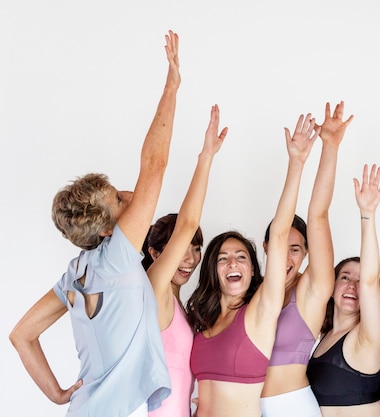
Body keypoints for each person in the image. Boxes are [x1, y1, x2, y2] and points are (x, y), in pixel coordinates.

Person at [9, 31, 181, 417]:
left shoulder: (77, 272)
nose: (127, 194)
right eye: (118, 200)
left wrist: (56, 394)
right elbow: (154, 167)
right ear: (106, 230)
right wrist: (171, 87)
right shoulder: (119, 254)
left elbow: (22, 335)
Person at [186, 113, 319, 417]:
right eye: (223, 258)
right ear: (213, 270)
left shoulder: (260, 311)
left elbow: (281, 232)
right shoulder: (203, 323)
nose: (232, 262)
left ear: (253, 269)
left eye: (241, 257)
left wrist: (296, 164)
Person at [260, 102, 353, 417]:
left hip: (290, 407)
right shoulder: (251, 293)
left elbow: (319, 215)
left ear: (306, 255)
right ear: (265, 247)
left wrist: (328, 147)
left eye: (296, 249)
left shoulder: (311, 290)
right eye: (281, 244)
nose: (286, 256)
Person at [142, 104, 227, 417]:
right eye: (180, 249)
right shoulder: (154, 290)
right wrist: (206, 157)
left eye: (196, 248)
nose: (190, 259)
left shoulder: (180, 305)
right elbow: (188, 222)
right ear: (154, 254)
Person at [306, 164, 380, 417]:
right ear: (332, 287)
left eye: (359, 279)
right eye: (344, 277)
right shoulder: (325, 336)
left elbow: (370, 280)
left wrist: (367, 215)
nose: (353, 285)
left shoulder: (369, 334)